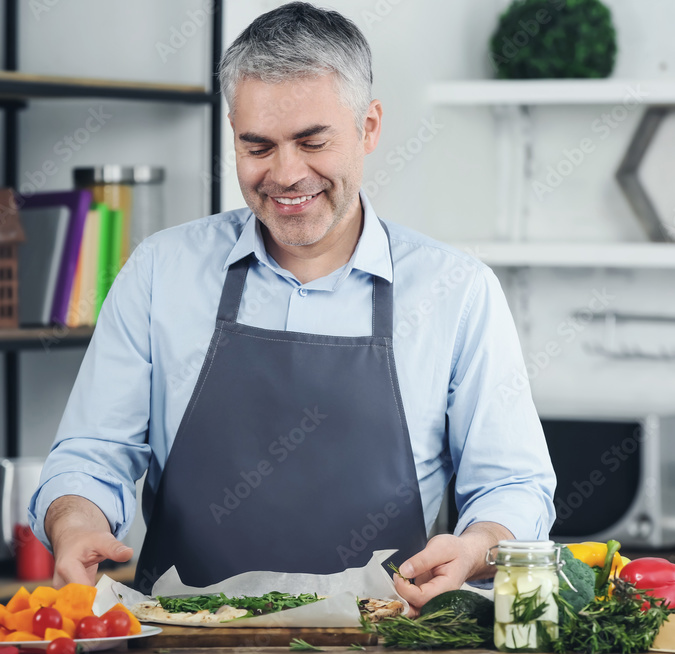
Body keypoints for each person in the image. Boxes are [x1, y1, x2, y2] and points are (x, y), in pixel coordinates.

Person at [29, 1, 555, 610]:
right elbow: (93, 453)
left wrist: (479, 544)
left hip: (389, 640)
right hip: (185, 642)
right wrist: (74, 523)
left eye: (312, 142)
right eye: (257, 146)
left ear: (369, 128)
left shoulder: (457, 292)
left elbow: (513, 485)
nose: (285, 174)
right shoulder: (159, 273)